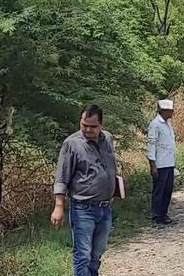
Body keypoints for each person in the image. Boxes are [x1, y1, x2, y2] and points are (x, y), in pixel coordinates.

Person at [51, 104, 117, 276]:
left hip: (105, 208)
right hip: (83, 209)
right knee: (83, 255)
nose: (87, 129)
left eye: (93, 126)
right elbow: (62, 177)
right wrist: (59, 206)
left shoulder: (107, 139)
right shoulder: (72, 144)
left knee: (97, 253)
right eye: (84, 125)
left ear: (101, 125)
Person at [146, 99, 177, 225]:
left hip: (169, 162)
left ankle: (163, 214)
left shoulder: (167, 124)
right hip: (160, 163)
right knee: (159, 190)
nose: (172, 112)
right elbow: (151, 145)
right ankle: (157, 216)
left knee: (167, 190)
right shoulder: (155, 124)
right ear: (164, 111)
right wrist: (152, 165)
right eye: (170, 110)